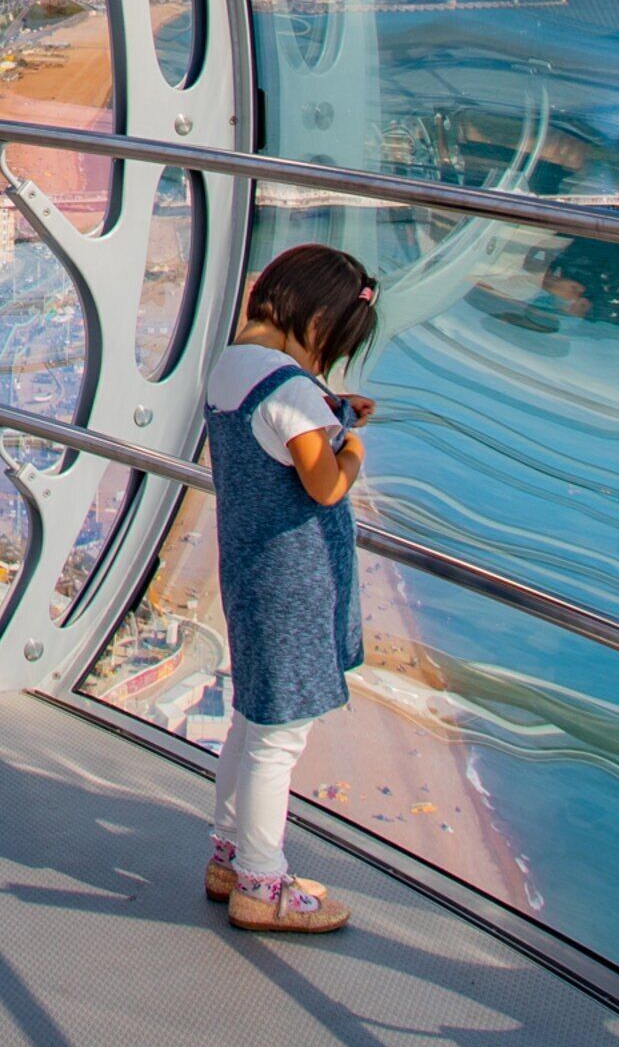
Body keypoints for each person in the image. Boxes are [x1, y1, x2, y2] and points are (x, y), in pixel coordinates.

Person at [199, 242, 379, 935]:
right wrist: (352, 445)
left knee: (253, 720)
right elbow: (325, 484)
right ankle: (262, 883)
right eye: (331, 344)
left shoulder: (232, 363)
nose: (326, 360)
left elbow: (276, 429)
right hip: (293, 583)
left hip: (250, 571)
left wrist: (331, 411)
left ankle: (228, 854)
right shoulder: (294, 391)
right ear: (318, 320)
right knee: (280, 739)